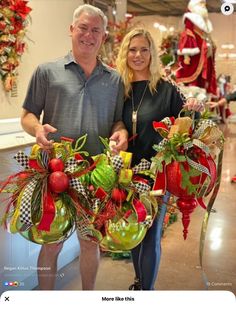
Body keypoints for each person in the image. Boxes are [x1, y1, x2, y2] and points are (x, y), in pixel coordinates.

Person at [21, 4, 128, 290]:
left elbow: (117, 121)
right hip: (54, 174)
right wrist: (36, 128)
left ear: (104, 36)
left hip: (95, 176)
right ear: (71, 30)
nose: (88, 35)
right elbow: (28, 114)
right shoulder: (47, 71)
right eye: (83, 27)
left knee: (90, 242)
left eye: (95, 30)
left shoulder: (115, 79)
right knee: (52, 243)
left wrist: (121, 133)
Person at [116, 28, 204, 290]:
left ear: (152, 53)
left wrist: (195, 110)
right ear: (125, 53)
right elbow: (114, 122)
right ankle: (139, 282)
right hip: (126, 172)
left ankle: (147, 292)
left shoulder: (166, 89)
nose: (138, 55)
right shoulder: (119, 88)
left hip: (158, 172)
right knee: (134, 230)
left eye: (144, 49)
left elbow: (187, 125)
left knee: (151, 233)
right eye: (132, 50)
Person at [176, 0, 217, 95]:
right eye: (201, 4)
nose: (203, 6)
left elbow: (206, 35)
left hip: (204, 52)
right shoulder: (190, 17)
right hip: (194, 55)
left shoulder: (205, 22)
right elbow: (188, 33)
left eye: (204, 5)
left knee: (204, 80)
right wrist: (186, 54)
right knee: (193, 84)